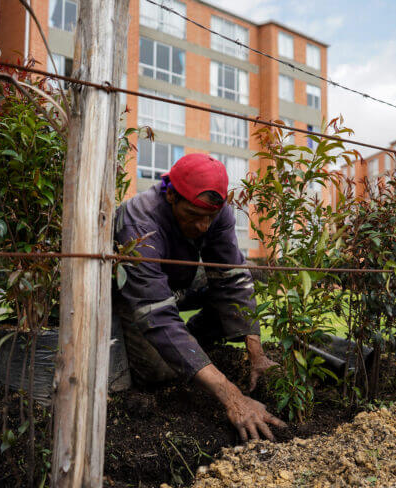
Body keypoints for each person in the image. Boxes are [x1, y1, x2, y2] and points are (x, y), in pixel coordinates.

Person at [113, 153, 286, 441]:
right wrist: (233, 397)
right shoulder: (140, 222)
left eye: (210, 217)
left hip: (180, 282)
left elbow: (231, 278)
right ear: (171, 196)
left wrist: (257, 355)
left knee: (243, 283)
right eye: (193, 216)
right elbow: (156, 314)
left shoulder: (217, 212)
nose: (203, 226)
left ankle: (190, 343)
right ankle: (184, 350)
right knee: (161, 372)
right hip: (134, 291)